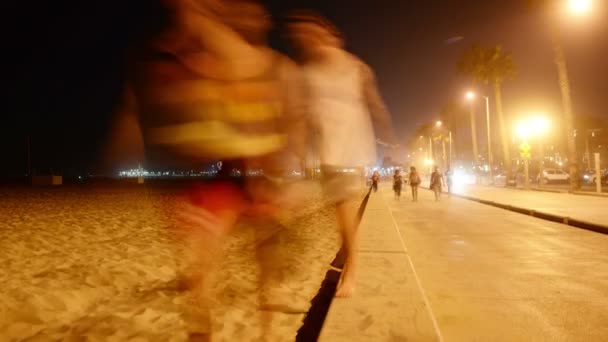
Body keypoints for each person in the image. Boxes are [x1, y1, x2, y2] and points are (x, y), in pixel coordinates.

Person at [107, 0, 307, 339]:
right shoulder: (204, 60)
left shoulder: (277, 67)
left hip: (264, 175)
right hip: (228, 174)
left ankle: (266, 332)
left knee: (266, 272)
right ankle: (203, 331)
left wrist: (292, 176)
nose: (245, 18)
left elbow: (295, 125)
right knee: (201, 269)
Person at [288, 12, 395, 298]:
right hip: (328, 152)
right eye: (303, 38)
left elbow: (375, 104)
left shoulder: (355, 67)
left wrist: (390, 140)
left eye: (312, 35)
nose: (309, 42)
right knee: (340, 213)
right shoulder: (307, 73)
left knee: (344, 211)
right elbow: (301, 117)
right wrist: (299, 153)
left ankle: (351, 272)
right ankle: (348, 264)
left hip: (352, 148)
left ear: (332, 36)